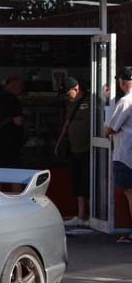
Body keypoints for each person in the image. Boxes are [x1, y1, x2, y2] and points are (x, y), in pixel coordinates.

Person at [54, 77, 90, 227]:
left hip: (89, 149)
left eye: (68, 93)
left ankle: (92, 216)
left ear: (76, 89)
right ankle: (81, 216)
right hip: (74, 149)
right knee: (77, 182)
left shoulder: (92, 102)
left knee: (88, 182)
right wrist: (59, 143)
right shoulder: (70, 104)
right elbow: (67, 124)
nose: (67, 97)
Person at [105, 66, 132, 243]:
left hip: (125, 153)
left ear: (122, 82)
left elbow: (109, 129)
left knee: (130, 193)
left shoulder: (125, 102)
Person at [0, 75, 24, 168]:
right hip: (8, 140)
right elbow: (18, 121)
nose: (21, 89)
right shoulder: (11, 99)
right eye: (20, 86)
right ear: (11, 85)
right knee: (14, 170)